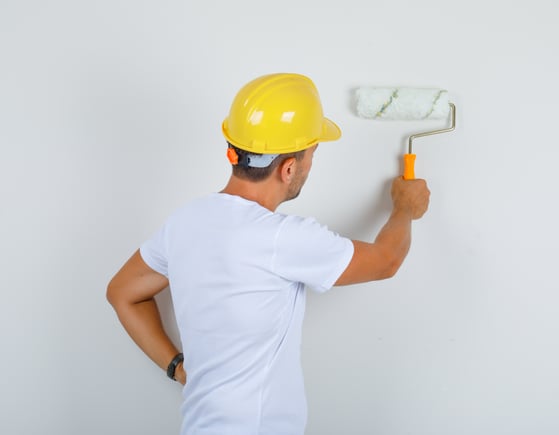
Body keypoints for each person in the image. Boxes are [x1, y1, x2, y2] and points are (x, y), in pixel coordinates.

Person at [106, 73, 430, 435]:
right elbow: (386, 261)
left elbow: (122, 293)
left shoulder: (185, 222)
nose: (310, 165)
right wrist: (405, 209)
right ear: (289, 167)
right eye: (311, 154)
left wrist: (178, 368)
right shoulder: (282, 238)